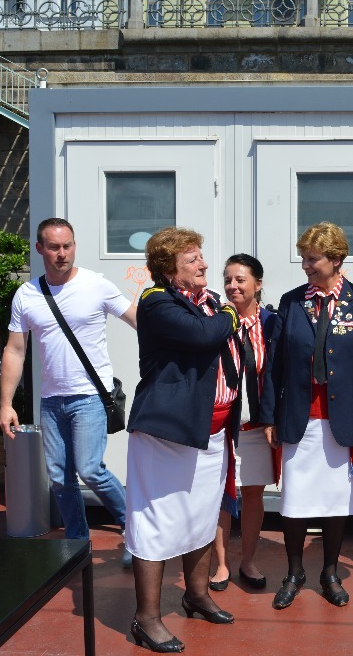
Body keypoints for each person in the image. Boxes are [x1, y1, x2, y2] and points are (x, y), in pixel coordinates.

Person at [125, 227, 241, 652]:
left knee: (201, 518)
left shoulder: (203, 303)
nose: (204, 264)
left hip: (209, 434)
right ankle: (146, 618)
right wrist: (230, 314)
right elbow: (203, 337)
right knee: (155, 523)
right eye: (192, 259)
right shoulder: (157, 303)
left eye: (201, 256)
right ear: (169, 268)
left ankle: (196, 595)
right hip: (166, 435)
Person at [260, 222, 353, 610]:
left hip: (343, 419)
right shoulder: (291, 301)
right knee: (295, 502)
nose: (305, 266)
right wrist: (269, 417)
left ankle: (330, 571)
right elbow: (274, 365)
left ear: (336, 259)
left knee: (336, 502)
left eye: (312, 259)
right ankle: (295, 571)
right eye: (303, 258)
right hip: (299, 418)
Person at [0, 218, 135, 562]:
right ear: (40, 248)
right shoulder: (27, 294)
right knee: (60, 478)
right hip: (51, 399)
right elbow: (15, 350)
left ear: (74, 245)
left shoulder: (96, 285)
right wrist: (6, 403)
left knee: (89, 469)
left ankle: (135, 531)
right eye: (55, 247)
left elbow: (138, 319)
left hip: (90, 396)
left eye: (68, 246)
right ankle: (76, 542)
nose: (62, 254)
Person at [210, 254, 276, 592]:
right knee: (222, 494)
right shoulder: (216, 321)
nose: (233, 286)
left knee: (253, 494)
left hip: (256, 428)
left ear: (258, 285)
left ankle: (247, 561)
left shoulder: (273, 323)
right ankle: (220, 564)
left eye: (241, 280)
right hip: (221, 425)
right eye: (228, 280)